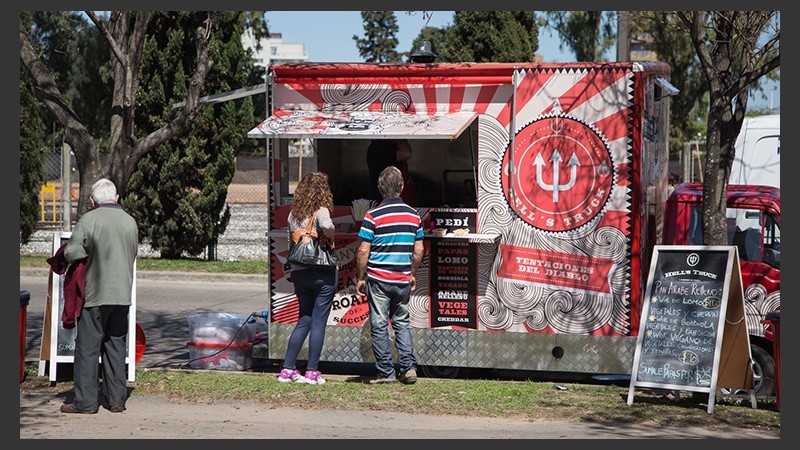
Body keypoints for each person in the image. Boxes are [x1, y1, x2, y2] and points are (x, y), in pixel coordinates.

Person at [60, 178, 138, 414]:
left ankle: (85, 402)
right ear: (116, 198)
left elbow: (72, 252)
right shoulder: (130, 221)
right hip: (122, 295)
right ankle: (116, 401)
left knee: (88, 349)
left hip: (94, 295)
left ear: (92, 200)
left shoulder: (89, 219)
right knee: (116, 346)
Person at [355, 166, 425, 384]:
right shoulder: (414, 215)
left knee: (379, 325)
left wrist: (360, 277)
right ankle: (409, 368)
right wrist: (412, 273)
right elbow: (419, 250)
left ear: (379, 188)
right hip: (402, 279)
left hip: (378, 280)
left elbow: (363, 249)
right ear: (402, 187)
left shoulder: (372, 215)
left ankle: (386, 372)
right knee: (402, 323)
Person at [278, 171, 338, 385]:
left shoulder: (293, 213)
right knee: (319, 321)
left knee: (304, 319)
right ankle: (312, 371)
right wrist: (330, 236)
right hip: (321, 271)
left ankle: (287, 369)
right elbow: (328, 226)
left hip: (298, 271)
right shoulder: (321, 209)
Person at [366, 138, 417, 205]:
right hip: (388, 201)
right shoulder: (380, 148)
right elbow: (406, 153)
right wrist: (398, 136)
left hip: (405, 199)